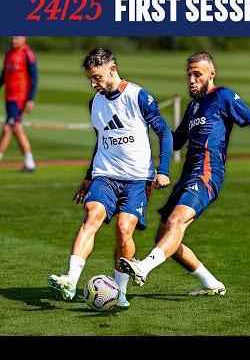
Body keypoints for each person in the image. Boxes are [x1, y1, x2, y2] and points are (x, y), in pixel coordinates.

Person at [117, 52, 250, 295]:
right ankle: (212, 284)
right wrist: (148, 125)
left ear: (211, 74)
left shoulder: (223, 96)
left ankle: (143, 267)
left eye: (197, 74)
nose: (192, 80)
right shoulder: (193, 107)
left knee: (177, 221)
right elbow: (175, 142)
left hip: (207, 174)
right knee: (164, 238)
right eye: (189, 75)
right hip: (187, 177)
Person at [47, 48, 173, 308]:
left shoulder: (139, 96)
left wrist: (164, 170)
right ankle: (70, 280)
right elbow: (101, 142)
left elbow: (165, 133)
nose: (93, 84)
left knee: (123, 230)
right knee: (92, 214)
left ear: (112, 69)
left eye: (96, 77)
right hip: (105, 175)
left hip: (138, 179)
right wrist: (87, 177)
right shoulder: (95, 103)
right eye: (90, 79)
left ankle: (121, 291)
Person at [0, 36, 38, 171]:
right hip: (9, 97)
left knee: (7, 128)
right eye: (12, 38)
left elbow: (34, 78)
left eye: (17, 38)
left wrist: (30, 99)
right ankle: (29, 163)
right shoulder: (9, 54)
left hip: (19, 98)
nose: (13, 40)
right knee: (16, 128)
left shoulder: (27, 54)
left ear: (24, 38)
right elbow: (4, 75)